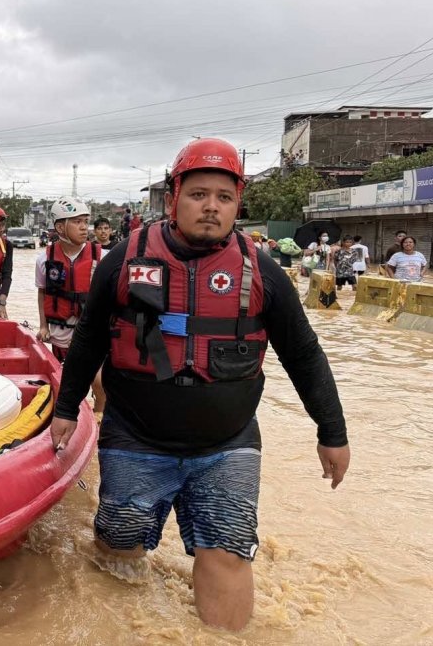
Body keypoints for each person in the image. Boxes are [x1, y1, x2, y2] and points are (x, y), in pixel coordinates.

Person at [49, 137, 350, 632]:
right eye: (198, 194)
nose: (211, 207)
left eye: (224, 197)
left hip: (227, 444)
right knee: (118, 553)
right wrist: (66, 408)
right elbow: (88, 341)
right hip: (135, 436)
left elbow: (304, 355)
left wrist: (332, 433)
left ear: (237, 204)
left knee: (229, 551)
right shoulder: (123, 260)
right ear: (174, 198)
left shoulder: (264, 272)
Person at [36, 197, 106, 412]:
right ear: (60, 227)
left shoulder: (103, 256)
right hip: (59, 334)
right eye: (76, 221)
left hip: (91, 333)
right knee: (65, 385)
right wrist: (43, 326)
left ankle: (99, 419)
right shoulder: (43, 259)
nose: (84, 227)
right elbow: (42, 292)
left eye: (85, 221)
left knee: (99, 381)